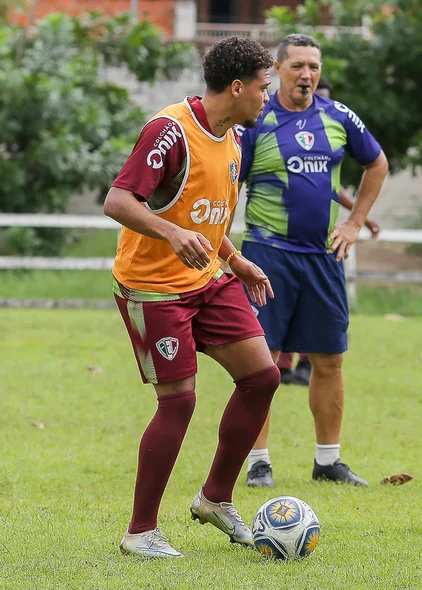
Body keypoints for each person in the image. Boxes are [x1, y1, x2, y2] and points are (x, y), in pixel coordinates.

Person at [103, 36, 280, 558]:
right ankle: (140, 533)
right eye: (263, 88)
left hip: (207, 278)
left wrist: (236, 260)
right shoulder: (170, 130)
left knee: (262, 377)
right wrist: (169, 234)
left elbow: (204, 215)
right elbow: (118, 200)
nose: (266, 98)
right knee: (179, 402)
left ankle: (215, 499)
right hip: (153, 288)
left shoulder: (233, 137)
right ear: (236, 86)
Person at [238, 33, 388, 489]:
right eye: (298, 65)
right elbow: (229, 184)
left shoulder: (338, 116)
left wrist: (354, 223)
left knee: (329, 359)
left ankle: (328, 461)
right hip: (268, 255)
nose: (307, 74)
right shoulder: (256, 121)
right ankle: (258, 461)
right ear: (277, 70)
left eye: (314, 67)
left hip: (324, 258)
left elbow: (377, 164)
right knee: (262, 362)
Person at [271, 79, 382, 390]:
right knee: (282, 305)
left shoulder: (332, 124)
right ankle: (281, 364)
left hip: (322, 244)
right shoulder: (275, 126)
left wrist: (359, 219)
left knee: (318, 309)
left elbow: (331, 187)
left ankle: (306, 364)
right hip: (279, 242)